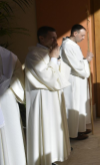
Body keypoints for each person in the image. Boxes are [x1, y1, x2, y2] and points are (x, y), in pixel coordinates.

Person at [25, 26, 71, 165]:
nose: (54, 40)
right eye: (51, 37)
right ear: (41, 38)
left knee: (53, 127)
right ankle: (42, 160)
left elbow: (60, 75)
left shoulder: (50, 52)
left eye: (55, 37)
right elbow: (46, 76)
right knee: (44, 127)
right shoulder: (33, 54)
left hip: (53, 97)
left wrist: (56, 59)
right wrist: (53, 58)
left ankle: (51, 157)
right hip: (42, 98)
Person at [60, 24, 93, 140]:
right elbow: (76, 66)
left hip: (78, 79)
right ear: (75, 33)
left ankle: (80, 128)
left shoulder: (73, 45)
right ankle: (73, 133)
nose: (83, 38)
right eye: (82, 35)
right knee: (74, 104)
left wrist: (84, 61)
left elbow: (77, 62)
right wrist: (86, 61)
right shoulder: (68, 46)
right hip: (73, 80)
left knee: (79, 104)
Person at [0, 46, 26, 165]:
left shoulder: (10, 56)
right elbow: (19, 80)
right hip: (7, 97)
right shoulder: (10, 56)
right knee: (11, 135)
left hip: (6, 100)